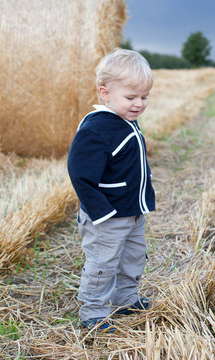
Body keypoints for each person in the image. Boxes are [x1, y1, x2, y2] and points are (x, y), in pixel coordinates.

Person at [67, 48, 155, 332]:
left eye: (144, 97)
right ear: (105, 93)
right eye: (130, 97)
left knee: (132, 257)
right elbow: (80, 175)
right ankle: (93, 311)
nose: (139, 104)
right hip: (106, 215)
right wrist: (101, 212)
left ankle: (125, 297)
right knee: (103, 263)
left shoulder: (125, 121)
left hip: (131, 211)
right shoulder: (97, 128)